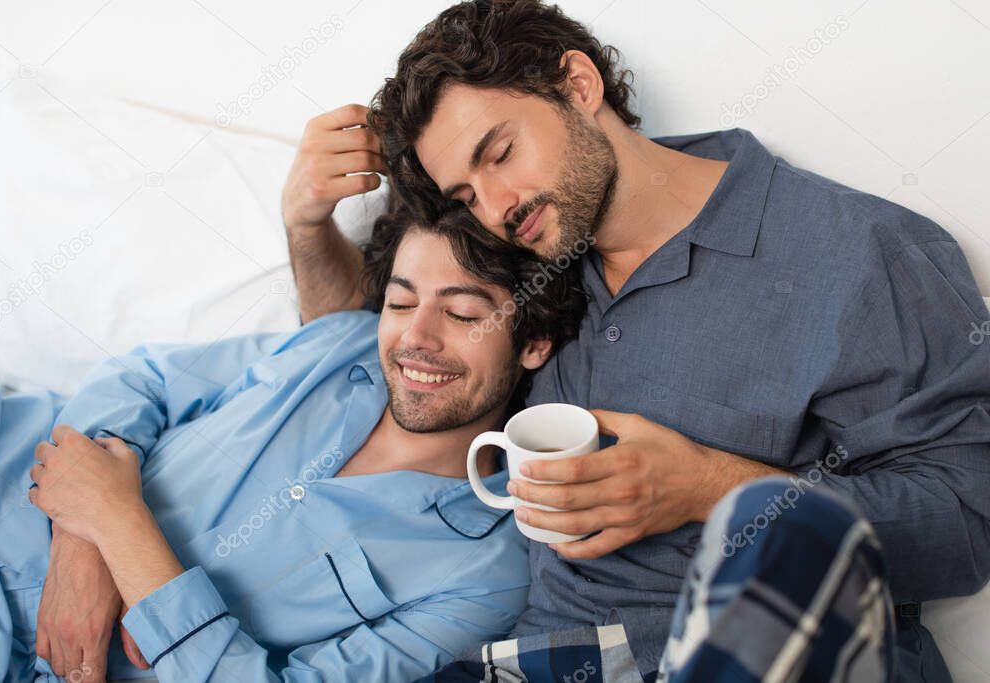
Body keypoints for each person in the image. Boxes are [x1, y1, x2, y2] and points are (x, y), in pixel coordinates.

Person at [278, 1, 990, 679]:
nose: (496, 207)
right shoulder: (515, 265)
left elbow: (969, 519)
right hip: (543, 660)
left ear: (579, 85)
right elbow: (381, 359)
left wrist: (707, 486)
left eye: (500, 151)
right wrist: (308, 223)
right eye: (465, 196)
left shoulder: (859, 251)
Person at [0, 204, 586, 682]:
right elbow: (141, 377)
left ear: (533, 343)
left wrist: (120, 526)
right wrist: (80, 544)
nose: (414, 337)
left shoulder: (483, 573)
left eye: (463, 315)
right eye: (400, 302)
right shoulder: (342, 341)